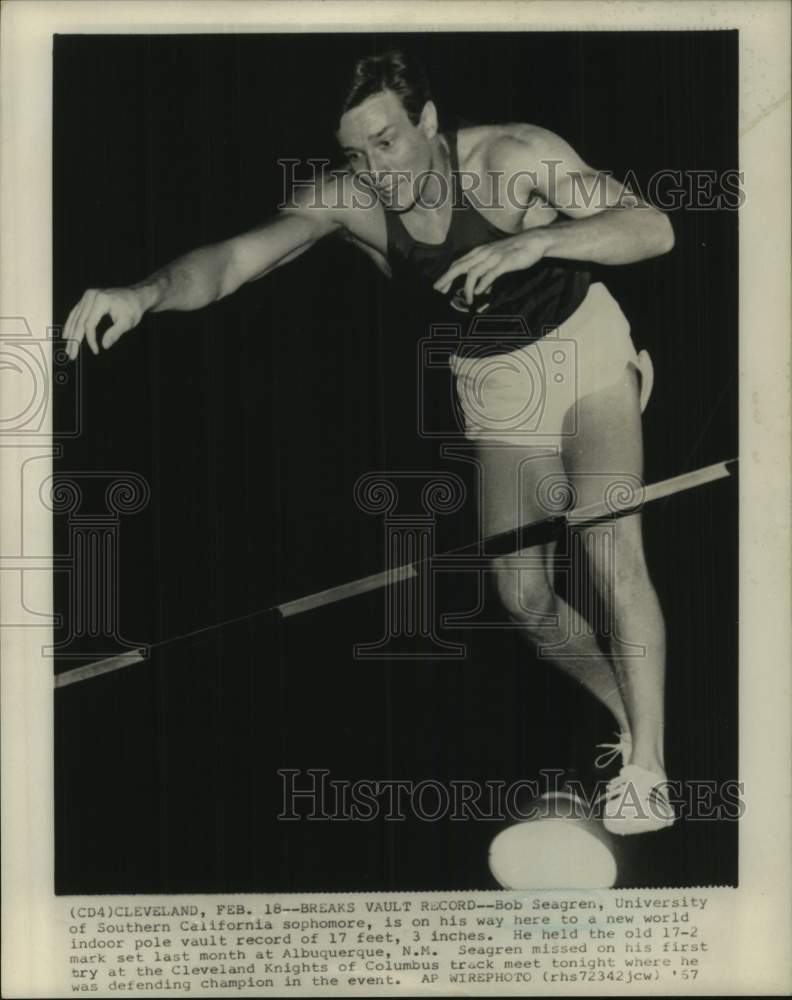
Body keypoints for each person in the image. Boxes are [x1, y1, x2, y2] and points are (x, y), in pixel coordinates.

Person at [63, 50, 676, 835]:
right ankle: (634, 721)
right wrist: (142, 293)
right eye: (357, 152)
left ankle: (649, 771)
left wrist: (538, 242)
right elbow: (231, 263)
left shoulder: (516, 153)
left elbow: (650, 226)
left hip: (583, 344)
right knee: (523, 600)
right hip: (491, 380)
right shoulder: (348, 200)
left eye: (387, 142)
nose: (376, 169)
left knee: (610, 547)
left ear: (427, 121)